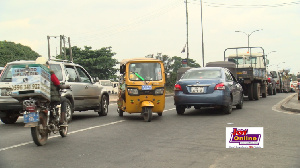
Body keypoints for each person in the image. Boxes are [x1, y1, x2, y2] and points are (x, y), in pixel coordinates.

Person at [35, 57, 70, 126]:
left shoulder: (34, 74)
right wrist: (67, 86)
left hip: (37, 98)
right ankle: (61, 120)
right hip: (51, 98)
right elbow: (59, 85)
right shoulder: (50, 74)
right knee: (64, 100)